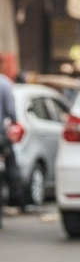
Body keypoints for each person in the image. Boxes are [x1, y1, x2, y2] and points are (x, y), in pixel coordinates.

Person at [0, 72, 22, 220]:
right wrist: (14, 122)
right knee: (11, 168)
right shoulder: (4, 84)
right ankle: (16, 201)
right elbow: (11, 112)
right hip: (1, 136)